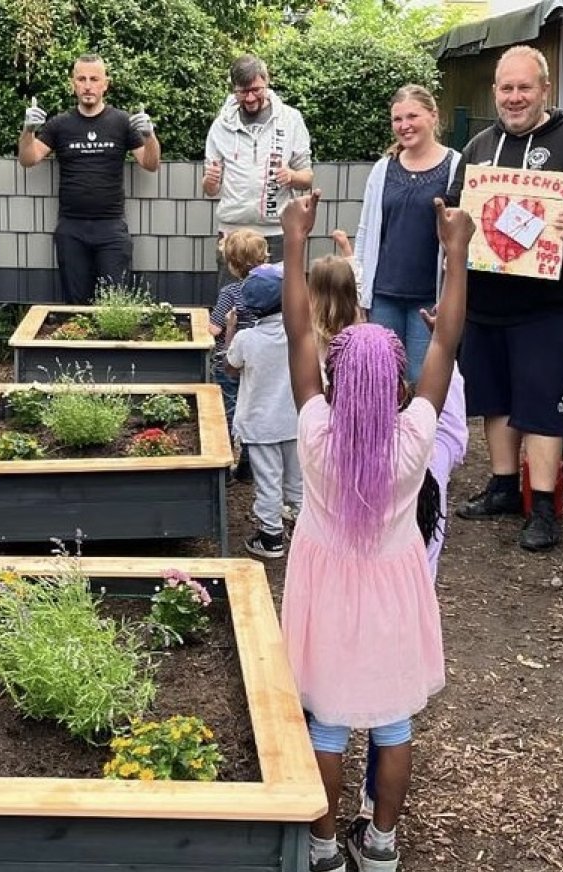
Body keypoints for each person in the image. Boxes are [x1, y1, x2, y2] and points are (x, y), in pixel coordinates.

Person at [277, 187, 473, 872]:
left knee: (326, 725)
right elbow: (447, 342)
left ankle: (326, 857)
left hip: (327, 592)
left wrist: (294, 242)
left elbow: (300, 333)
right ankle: (382, 853)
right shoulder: (414, 438)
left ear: (334, 378)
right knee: (392, 724)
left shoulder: (315, 434)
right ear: (395, 383)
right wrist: (457, 254)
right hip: (393, 588)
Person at [447, 45, 563, 552]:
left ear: (544, 90)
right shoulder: (480, 147)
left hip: (549, 306)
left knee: (542, 406)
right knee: (495, 400)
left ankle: (544, 506)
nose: (514, 97)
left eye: (524, 87)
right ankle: (505, 487)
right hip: (487, 301)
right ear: (495, 92)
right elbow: (461, 208)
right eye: (506, 88)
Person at [20, 53, 161, 303]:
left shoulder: (121, 122)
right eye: (81, 79)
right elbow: (28, 159)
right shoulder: (59, 124)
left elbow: (150, 164)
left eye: (94, 79)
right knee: (75, 305)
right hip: (71, 228)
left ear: (105, 83)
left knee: (113, 302)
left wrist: (149, 136)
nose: (87, 85)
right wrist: (28, 130)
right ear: (73, 83)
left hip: (111, 228)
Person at [354, 85, 461, 385]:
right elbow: (366, 232)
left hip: (429, 300)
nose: (404, 125)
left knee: (421, 381)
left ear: (433, 116)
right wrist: (361, 290)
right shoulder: (382, 169)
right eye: (397, 119)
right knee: (380, 380)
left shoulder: (456, 166)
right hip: (383, 297)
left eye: (412, 116)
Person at [201, 54, 313, 281]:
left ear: (267, 81)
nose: (250, 98)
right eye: (243, 92)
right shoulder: (220, 126)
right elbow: (210, 190)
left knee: (277, 311)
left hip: (276, 233)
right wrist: (210, 181)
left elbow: (307, 177)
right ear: (234, 90)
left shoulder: (290, 119)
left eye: (256, 90)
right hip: (233, 234)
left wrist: (291, 176)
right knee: (230, 304)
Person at [223, 266, 302, 558]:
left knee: (268, 481)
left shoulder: (247, 339)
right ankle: (305, 530)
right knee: (296, 479)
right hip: (295, 420)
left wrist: (231, 330)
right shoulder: (300, 333)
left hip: (260, 423)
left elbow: (230, 368)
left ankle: (271, 537)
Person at [209, 228, 268, 481]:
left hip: (230, 360)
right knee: (253, 408)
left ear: (232, 265)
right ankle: (247, 467)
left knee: (229, 409)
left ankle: (224, 468)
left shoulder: (230, 293)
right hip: (258, 361)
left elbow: (214, 329)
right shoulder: (270, 292)